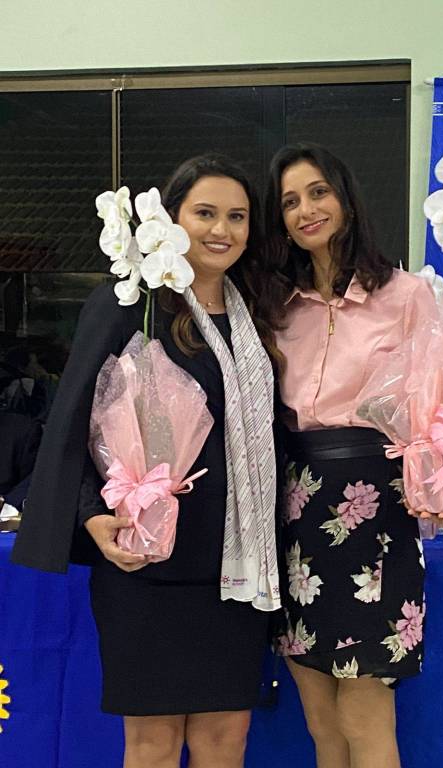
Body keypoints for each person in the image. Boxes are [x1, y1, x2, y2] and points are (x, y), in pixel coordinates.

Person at [12, 154, 280, 768]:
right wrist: (91, 515)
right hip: (148, 562)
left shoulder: (257, 313)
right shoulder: (133, 303)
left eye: (237, 216)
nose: (222, 230)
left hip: (237, 567)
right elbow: (75, 420)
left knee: (225, 741)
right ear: (170, 219)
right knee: (153, 745)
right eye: (205, 213)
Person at [262, 143, 443, 768]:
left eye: (318, 192)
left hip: (376, 507)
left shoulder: (407, 294)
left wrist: (440, 481)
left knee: (365, 710)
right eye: (290, 201)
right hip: (294, 506)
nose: (306, 210)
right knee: (320, 717)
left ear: (345, 197)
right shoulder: (275, 305)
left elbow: (439, 403)